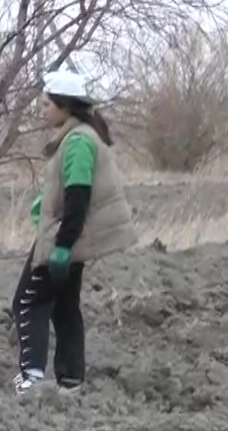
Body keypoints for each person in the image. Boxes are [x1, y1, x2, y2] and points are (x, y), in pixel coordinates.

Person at [14, 68, 139, 395]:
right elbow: (69, 189)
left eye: (46, 104)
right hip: (66, 237)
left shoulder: (79, 142)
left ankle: (32, 380)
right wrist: (45, 203)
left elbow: (79, 197)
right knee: (65, 307)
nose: (41, 110)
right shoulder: (77, 136)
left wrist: (63, 246)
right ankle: (70, 381)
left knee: (28, 302)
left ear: (64, 106)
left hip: (64, 239)